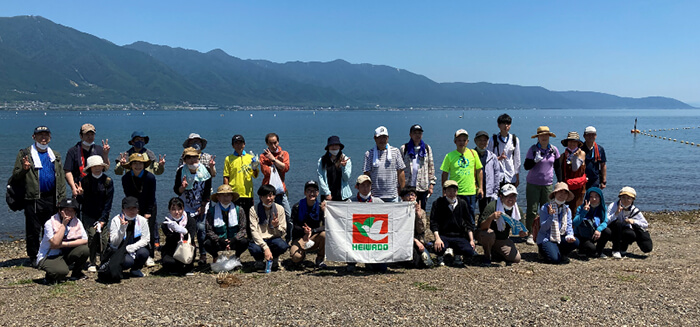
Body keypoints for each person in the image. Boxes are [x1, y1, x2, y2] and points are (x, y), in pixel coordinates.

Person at [12, 126, 66, 265]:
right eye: (40, 135)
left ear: (50, 137)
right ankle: (33, 256)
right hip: (33, 197)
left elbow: (60, 178)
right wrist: (24, 170)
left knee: (50, 227)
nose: (43, 138)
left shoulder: (55, 155)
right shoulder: (25, 154)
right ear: (33, 137)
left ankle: (48, 253)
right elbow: (15, 177)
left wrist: (62, 198)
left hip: (51, 197)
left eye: (46, 135)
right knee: (33, 229)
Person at [36, 198, 89, 283]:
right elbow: (55, 244)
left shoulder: (76, 221)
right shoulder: (50, 223)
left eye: (72, 211)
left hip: (63, 253)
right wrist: (63, 224)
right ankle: (50, 276)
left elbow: (85, 240)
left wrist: (65, 244)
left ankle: (76, 273)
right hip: (49, 256)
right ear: (60, 210)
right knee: (62, 272)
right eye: (66, 210)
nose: (69, 213)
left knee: (84, 250)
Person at [174, 147, 212, 265]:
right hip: (186, 206)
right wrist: (183, 187)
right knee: (189, 230)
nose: (192, 160)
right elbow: (177, 190)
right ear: (184, 159)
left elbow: (207, 190)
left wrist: (203, 205)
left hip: (201, 205)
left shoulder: (205, 170)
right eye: (189, 158)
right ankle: (189, 254)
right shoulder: (181, 171)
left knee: (201, 229)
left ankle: (203, 254)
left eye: (195, 157)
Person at [523, 126, 561, 245]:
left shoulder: (554, 150)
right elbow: (526, 166)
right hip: (533, 184)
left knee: (546, 210)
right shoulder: (533, 149)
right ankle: (529, 233)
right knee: (532, 210)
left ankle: (544, 232)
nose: (544, 138)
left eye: (546, 135)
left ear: (549, 137)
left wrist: (560, 181)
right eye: (541, 135)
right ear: (538, 137)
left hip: (547, 185)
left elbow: (558, 167)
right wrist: (535, 160)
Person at [76, 155, 114, 273]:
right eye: (94, 166)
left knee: (103, 238)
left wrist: (103, 219)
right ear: (90, 168)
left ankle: (104, 261)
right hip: (88, 214)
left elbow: (108, 203)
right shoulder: (84, 181)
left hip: (102, 214)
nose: (97, 168)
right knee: (92, 237)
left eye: (99, 166)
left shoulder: (108, 181)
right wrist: (80, 194)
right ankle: (92, 262)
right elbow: (80, 203)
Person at [121, 153, 158, 267]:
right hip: (133, 208)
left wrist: (148, 212)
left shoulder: (150, 177)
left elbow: (151, 196)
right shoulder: (126, 178)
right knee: (132, 230)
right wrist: (133, 211)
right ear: (131, 165)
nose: (138, 166)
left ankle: (150, 255)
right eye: (135, 163)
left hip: (149, 206)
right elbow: (128, 196)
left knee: (149, 231)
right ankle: (134, 253)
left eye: (140, 163)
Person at [477, 184, 527, 265]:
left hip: (502, 239)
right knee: (489, 234)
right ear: (501, 197)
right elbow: (481, 227)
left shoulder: (517, 211)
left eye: (513, 196)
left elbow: (523, 229)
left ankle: (495, 251)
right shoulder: (492, 206)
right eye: (508, 196)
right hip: (486, 235)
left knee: (516, 258)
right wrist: (491, 218)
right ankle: (487, 256)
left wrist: (523, 233)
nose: (511, 199)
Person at [430, 180, 476, 267]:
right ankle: (440, 256)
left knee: (469, 251)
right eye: (449, 191)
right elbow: (433, 222)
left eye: (454, 191)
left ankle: (457, 255)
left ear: (457, 192)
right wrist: (437, 238)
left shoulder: (462, 203)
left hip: (458, 235)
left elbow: (468, 223)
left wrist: (471, 240)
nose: (452, 193)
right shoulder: (438, 203)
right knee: (438, 248)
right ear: (444, 191)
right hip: (444, 235)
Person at [440, 129, 483, 219]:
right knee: (455, 216)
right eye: (459, 140)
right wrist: (444, 191)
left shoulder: (473, 153)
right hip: (455, 192)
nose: (461, 142)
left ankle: (470, 232)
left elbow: (479, 171)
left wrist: (481, 188)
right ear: (455, 141)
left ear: (467, 141)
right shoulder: (449, 156)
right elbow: (444, 174)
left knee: (470, 216)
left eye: (464, 140)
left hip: (470, 191)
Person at [347, 175, 386, 273]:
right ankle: (351, 262)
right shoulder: (350, 202)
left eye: (367, 185)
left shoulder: (379, 202)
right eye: (362, 185)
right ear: (357, 187)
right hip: (356, 235)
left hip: (372, 237)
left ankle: (370, 261)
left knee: (382, 269)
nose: (365, 188)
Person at [248, 184, 289, 271]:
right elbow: (254, 231)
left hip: (273, 238)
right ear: (260, 197)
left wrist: (276, 226)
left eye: (270, 195)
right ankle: (259, 260)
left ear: (274, 196)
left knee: (282, 245)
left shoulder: (280, 209)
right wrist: (265, 247)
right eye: (265, 196)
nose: (268, 198)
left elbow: (282, 232)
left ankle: (274, 258)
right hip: (260, 239)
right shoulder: (253, 209)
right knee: (254, 248)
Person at [259, 133, 292, 242]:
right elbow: (266, 172)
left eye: (275, 142)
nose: (273, 145)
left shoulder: (284, 153)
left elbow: (286, 168)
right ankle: (266, 238)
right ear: (267, 144)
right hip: (266, 192)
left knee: (289, 216)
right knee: (265, 217)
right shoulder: (263, 156)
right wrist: (279, 163)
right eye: (270, 143)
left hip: (280, 191)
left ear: (278, 142)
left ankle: (289, 239)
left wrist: (273, 160)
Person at [204, 185, 249, 264]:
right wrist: (219, 239)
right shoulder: (211, 211)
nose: (226, 198)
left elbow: (243, 229)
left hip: (234, 240)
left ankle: (237, 256)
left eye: (228, 195)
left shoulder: (239, 210)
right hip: (219, 241)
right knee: (207, 243)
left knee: (245, 242)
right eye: (223, 195)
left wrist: (234, 239)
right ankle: (215, 256)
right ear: (218, 197)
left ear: (232, 197)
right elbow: (209, 230)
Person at [536, 182, 579, 264]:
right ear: (555, 193)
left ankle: (561, 253)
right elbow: (544, 227)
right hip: (547, 238)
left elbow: (569, 226)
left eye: (565, 193)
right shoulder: (545, 207)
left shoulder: (567, 209)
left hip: (560, 237)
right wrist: (551, 216)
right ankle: (544, 252)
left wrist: (570, 235)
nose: (562, 195)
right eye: (560, 192)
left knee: (576, 242)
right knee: (554, 259)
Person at [64, 123, 110, 198]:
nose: (90, 137)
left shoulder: (99, 149)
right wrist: (73, 187)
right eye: (87, 134)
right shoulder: (73, 151)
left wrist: (105, 154)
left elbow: (106, 167)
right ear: (81, 136)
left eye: (92, 134)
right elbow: (67, 171)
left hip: (97, 186)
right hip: (79, 188)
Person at [108, 197, 150, 278]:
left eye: (134, 208)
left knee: (144, 253)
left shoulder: (142, 220)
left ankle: (135, 269)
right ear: (123, 209)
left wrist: (132, 247)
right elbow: (114, 242)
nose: (132, 211)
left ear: (138, 209)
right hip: (119, 249)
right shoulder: (116, 220)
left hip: (134, 248)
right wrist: (122, 229)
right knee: (128, 261)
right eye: (128, 208)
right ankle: (118, 269)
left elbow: (146, 239)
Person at [363, 126, 406, 202]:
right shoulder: (369, 154)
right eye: (379, 137)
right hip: (375, 196)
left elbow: (401, 172)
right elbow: (366, 174)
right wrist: (367, 192)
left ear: (388, 138)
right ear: (375, 139)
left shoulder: (395, 151)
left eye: (384, 137)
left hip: (392, 195)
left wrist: (403, 192)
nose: (382, 140)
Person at [607, 187, 652, 259]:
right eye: (623, 197)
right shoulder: (613, 206)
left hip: (624, 231)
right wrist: (616, 214)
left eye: (628, 198)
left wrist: (634, 221)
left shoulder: (634, 210)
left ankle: (623, 248)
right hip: (612, 230)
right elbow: (606, 221)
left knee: (631, 234)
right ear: (619, 198)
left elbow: (645, 224)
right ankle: (615, 250)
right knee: (617, 223)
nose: (625, 200)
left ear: (633, 199)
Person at [289, 181, 327, 269]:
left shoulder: (321, 207)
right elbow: (293, 225)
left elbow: (326, 226)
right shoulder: (297, 207)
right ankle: (301, 256)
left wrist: (313, 231)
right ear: (305, 192)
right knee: (296, 258)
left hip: (313, 237)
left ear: (317, 193)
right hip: (300, 238)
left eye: (314, 191)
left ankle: (320, 259)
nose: (312, 193)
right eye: (309, 191)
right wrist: (304, 231)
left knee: (324, 235)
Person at [399, 124, 436, 210]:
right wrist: (399, 186)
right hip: (408, 186)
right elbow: (399, 168)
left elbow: (431, 166)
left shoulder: (426, 148)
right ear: (410, 135)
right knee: (407, 210)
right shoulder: (404, 148)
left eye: (419, 133)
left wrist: (431, 185)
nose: (417, 135)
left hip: (422, 186)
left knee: (421, 210)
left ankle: (420, 224)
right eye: (415, 133)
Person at [223, 134, 260, 220]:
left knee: (248, 218)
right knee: (234, 218)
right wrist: (226, 193)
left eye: (241, 143)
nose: (239, 145)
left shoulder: (250, 157)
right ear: (233, 145)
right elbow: (226, 176)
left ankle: (247, 234)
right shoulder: (228, 159)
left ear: (244, 144)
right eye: (236, 143)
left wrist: (254, 167)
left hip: (248, 194)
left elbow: (255, 176)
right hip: (234, 193)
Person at [160, 197, 197, 275]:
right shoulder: (166, 223)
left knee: (187, 258)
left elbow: (191, 237)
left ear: (183, 208)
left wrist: (184, 232)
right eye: (173, 209)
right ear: (169, 210)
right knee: (168, 262)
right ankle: (177, 267)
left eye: (179, 209)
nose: (177, 212)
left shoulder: (191, 221)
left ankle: (187, 267)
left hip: (186, 248)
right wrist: (176, 230)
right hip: (172, 249)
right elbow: (171, 240)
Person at [573, 187, 611, 258]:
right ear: (587, 197)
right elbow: (575, 223)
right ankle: (582, 248)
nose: (594, 199)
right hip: (582, 235)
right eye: (591, 197)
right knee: (591, 249)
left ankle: (599, 251)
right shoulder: (581, 208)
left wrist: (598, 230)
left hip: (594, 233)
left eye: (596, 196)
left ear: (600, 197)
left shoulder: (602, 208)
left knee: (607, 231)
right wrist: (584, 212)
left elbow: (605, 221)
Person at [400, 187, 433, 268]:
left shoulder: (422, 212)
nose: (410, 197)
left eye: (412, 195)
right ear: (403, 198)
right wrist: (415, 241)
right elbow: (400, 230)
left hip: (418, 238)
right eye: (407, 195)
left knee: (424, 263)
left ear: (416, 197)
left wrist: (418, 216)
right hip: (404, 240)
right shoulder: (399, 211)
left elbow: (421, 230)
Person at [487, 113, 521, 187]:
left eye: (508, 124)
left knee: (511, 198)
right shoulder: (492, 140)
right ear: (498, 125)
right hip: (497, 176)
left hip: (511, 176)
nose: (506, 126)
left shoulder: (514, 139)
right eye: (503, 123)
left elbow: (517, 160)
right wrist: (499, 158)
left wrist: (517, 178)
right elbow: (488, 159)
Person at [474, 130, 502, 214]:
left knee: (486, 211)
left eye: (485, 140)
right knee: (470, 210)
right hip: (473, 189)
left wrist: (496, 191)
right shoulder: (470, 155)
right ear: (475, 141)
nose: (482, 142)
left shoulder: (492, 156)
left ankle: (482, 226)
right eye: (480, 140)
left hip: (488, 189)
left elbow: (497, 174)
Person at [317, 135, 352, 202]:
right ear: (328, 147)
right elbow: (320, 177)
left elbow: (346, 178)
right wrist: (327, 193)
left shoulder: (346, 159)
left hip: (342, 195)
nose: (334, 147)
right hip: (327, 195)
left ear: (340, 147)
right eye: (332, 145)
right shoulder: (322, 161)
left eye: (336, 145)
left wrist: (343, 167)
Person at [559, 131, 587, 208]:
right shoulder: (563, 155)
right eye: (570, 141)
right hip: (567, 186)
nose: (572, 144)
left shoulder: (582, 153)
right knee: (565, 207)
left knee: (577, 207)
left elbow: (575, 168)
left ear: (578, 143)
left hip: (579, 187)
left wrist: (575, 157)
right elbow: (560, 171)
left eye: (574, 142)